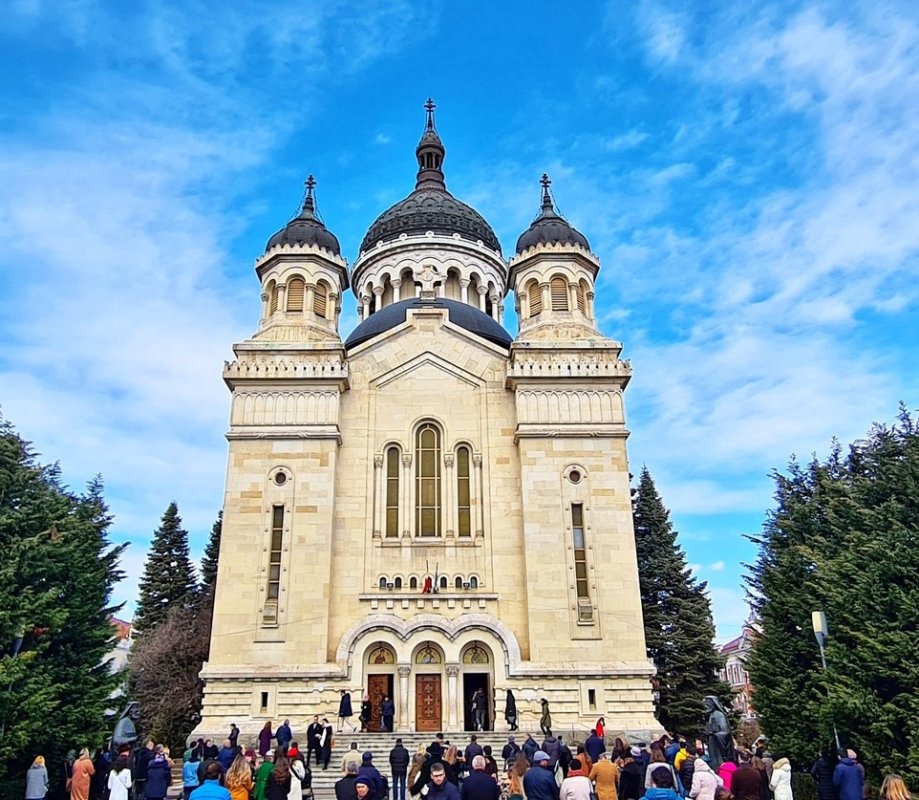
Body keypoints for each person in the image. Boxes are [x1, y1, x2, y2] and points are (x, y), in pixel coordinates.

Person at [703, 698, 735, 773]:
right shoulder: (711, 715)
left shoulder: (719, 715)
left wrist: (714, 734)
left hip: (718, 746)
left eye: (708, 704)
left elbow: (725, 732)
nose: (706, 706)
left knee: (719, 764)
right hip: (713, 744)